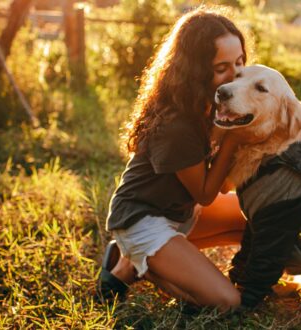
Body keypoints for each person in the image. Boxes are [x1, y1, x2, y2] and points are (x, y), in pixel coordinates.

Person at [98, 7, 249, 312]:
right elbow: (206, 194)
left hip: (180, 214)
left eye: (240, 62)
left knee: (257, 215)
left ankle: (137, 260)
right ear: (196, 70)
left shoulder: (213, 105)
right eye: (222, 68)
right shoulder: (177, 124)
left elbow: (225, 186)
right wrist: (232, 136)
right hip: (142, 220)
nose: (235, 76)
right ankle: (139, 264)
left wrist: (233, 133)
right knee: (227, 303)